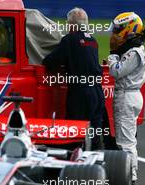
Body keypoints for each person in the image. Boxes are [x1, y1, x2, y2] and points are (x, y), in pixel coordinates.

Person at [42, 7, 107, 150]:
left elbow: (50, 62)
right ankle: (97, 164)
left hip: (80, 93)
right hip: (97, 92)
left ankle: (75, 166)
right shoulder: (93, 41)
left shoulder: (69, 40)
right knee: (95, 134)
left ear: (71, 25)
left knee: (75, 133)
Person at [107, 12, 145, 185]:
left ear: (130, 30)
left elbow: (116, 71)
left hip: (127, 96)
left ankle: (130, 180)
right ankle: (129, 177)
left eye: (118, 30)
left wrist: (113, 56)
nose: (115, 35)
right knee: (127, 140)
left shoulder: (134, 52)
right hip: (130, 95)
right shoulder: (136, 49)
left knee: (125, 142)